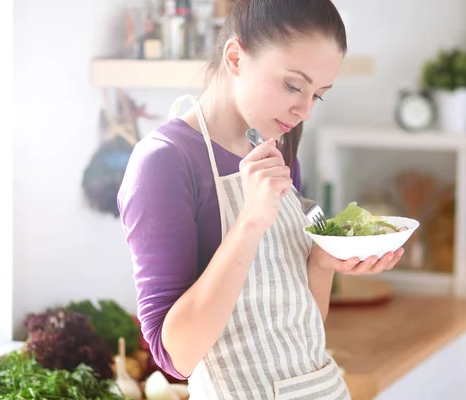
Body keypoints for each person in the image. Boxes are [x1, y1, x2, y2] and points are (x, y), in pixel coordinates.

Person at [117, 0, 404, 398]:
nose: (304, 110)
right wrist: (250, 221)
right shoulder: (164, 162)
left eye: (317, 95)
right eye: (293, 85)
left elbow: (303, 329)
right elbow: (176, 356)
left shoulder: (278, 148)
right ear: (235, 56)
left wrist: (322, 263)